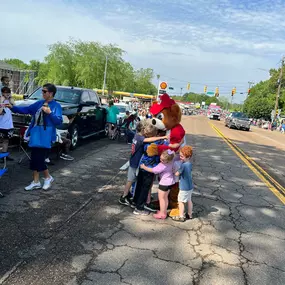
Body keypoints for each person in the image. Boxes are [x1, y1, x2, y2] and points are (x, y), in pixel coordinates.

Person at [10, 83, 62, 191]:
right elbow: (26, 110)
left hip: (46, 135)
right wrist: (12, 107)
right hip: (36, 133)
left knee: (39, 158)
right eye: (42, 91)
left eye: (44, 91)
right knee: (34, 158)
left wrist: (49, 112)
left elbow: (58, 121)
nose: (42, 93)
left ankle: (47, 178)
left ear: (51, 93)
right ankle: (36, 181)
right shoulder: (39, 103)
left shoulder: (56, 106)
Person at [119, 122, 167, 206]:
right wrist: (162, 137)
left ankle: (129, 194)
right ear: (143, 131)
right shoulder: (140, 138)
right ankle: (124, 196)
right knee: (131, 180)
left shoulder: (136, 136)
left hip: (133, 161)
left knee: (132, 180)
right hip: (135, 163)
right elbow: (148, 140)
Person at [132, 125, 166, 215]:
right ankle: (139, 208)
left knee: (139, 185)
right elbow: (165, 148)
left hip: (142, 165)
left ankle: (135, 201)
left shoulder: (145, 141)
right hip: (149, 169)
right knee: (145, 188)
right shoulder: (156, 143)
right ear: (155, 134)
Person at [140, 150, 175, 219]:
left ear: (167, 160)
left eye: (163, 160)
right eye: (160, 158)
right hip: (170, 182)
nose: (161, 160)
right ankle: (164, 212)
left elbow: (154, 170)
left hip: (163, 184)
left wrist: (144, 167)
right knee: (165, 198)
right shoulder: (171, 162)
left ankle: (162, 214)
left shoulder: (162, 165)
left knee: (161, 199)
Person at [172, 146, 193, 222]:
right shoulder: (189, 164)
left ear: (188, 156)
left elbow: (177, 174)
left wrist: (173, 171)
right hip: (190, 186)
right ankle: (190, 214)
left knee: (181, 201)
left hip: (184, 187)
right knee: (189, 200)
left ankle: (181, 216)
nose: (180, 157)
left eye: (182, 156)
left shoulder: (183, 165)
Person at [0, 87, 15, 161]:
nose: (7, 94)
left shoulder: (8, 100)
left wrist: (10, 98)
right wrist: (2, 102)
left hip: (8, 125)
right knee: (1, 141)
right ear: (2, 93)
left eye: (8, 92)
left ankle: (4, 155)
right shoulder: (1, 100)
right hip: (1, 125)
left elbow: (14, 106)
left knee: (6, 141)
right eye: (5, 92)